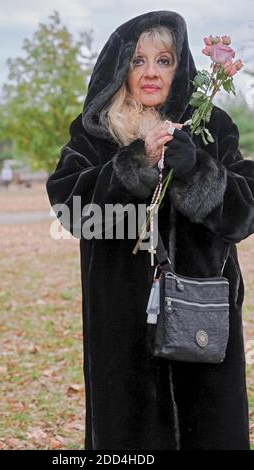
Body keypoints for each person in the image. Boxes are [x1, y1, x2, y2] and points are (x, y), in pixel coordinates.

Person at [46, 11, 254, 450]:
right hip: (122, 324)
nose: (151, 72)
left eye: (164, 60)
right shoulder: (95, 133)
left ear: (181, 68)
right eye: (138, 61)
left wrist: (198, 170)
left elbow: (245, 211)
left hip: (203, 315)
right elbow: (72, 211)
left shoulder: (210, 127)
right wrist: (136, 164)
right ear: (120, 66)